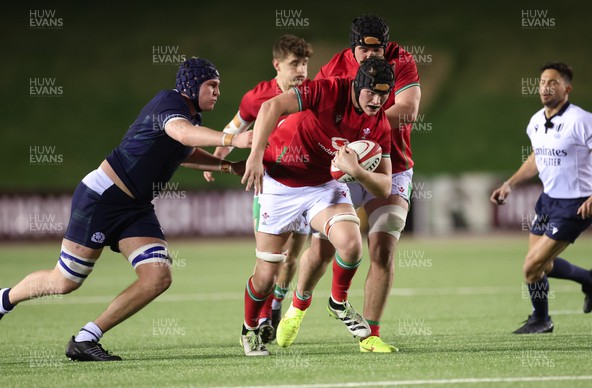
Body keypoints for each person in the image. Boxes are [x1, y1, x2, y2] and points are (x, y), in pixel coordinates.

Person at [0, 58, 252, 361]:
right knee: (64, 282)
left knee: (158, 277)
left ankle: (85, 339)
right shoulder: (170, 102)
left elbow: (184, 152)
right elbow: (182, 134)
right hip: (103, 198)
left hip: (135, 207)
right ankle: (3, 300)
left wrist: (227, 165)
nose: (217, 92)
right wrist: (233, 139)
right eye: (211, 85)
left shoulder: (189, 117)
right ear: (192, 85)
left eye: (218, 86)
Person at [239, 57, 395, 356]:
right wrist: (256, 154)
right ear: (357, 86)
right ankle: (248, 329)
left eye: (384, 94)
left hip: (323, 185)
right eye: (371, 93)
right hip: (279, 183)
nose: (377, 101)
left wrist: (359, 172)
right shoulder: (327, 91)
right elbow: (272, 107)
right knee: (266, 278)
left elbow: (384, 186)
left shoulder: (379, 123)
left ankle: (338, 303)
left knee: (351, 244)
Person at [310, 13, 421, 352]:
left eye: (378, 50)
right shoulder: (333, 67)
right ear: (352, 46)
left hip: (392, 165)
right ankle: (298, 303)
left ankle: (370, 336)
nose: (373, 57)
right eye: (364, 50)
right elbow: (313, 115)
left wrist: (365, 126)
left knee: (383, 248)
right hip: (344, 166)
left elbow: (408, 110)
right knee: (324, 247)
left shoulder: (402, 60)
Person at [203, 35, 313, 342]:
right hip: (271, 185)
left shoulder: (313, 93)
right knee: (270, 257)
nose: (302, 70)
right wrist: (219, 155)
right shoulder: (258, 97)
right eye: (295, 64)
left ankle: (276, 304)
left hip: (306, 185)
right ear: (278, 65)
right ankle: (263, 316)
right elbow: (236, 126)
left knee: (292, 257)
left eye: (305, 63)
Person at [491, 62, 592, 334]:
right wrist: (509, 184)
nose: (545, 87)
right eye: (542, 82)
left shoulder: (581, 120)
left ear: (567, 88)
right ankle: (590, 279)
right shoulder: (537, 121)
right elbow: (537, 159)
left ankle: (541, 320)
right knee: (542, 267)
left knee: (531, 267)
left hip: (576, 205)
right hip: (548, 201)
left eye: (553, 82)